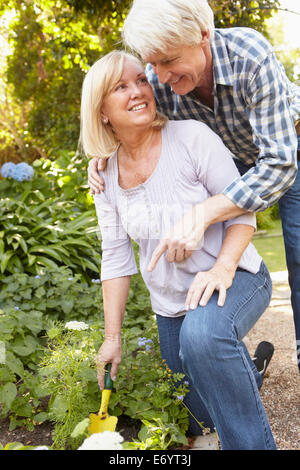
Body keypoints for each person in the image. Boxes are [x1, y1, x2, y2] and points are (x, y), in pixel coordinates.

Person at [88, 0, 300, 374]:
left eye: (167, 62)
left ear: (203, 35)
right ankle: (236, 361)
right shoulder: (159, 81)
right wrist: (105, 154)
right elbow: (134, 128)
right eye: (151, 64)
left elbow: (278, 164)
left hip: (286, 150)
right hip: (234, 156)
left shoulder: (249, 56)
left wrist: (205, 211)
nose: (159, 76)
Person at [80, 49, 277, 450]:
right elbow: (116, 257)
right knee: (194, 412)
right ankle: (246, 369)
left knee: (203, 337)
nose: (138, 91)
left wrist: (222, 268)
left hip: (235, 276)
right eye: (121, 87)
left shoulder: (191, 138)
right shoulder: (106, 176)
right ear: (101, 111)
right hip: (172, 305)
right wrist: (112, 338)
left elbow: (243, 211)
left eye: (141, 80)